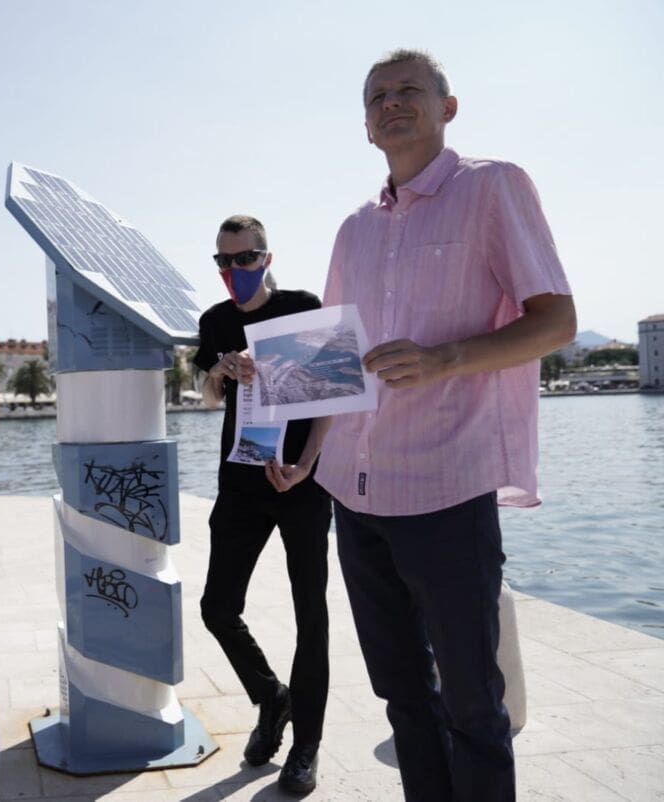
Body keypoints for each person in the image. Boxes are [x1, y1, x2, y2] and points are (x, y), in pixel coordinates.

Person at [315, 51, 576, 801]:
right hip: (355, 495)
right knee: (402, 697)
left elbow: (557, 322)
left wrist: (444, 360)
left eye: (409, 90)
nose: (391, 103)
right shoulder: (353, 229)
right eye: (377, 97)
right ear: (366, 125)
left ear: (447, 107)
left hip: (447, 488)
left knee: (473, 704)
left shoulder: (494, 186)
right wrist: (298, 448)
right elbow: (335, 361)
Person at [194, 216, 331, 795]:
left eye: (245, 258)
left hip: (302, 484)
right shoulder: (214, 321)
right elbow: (207, 394)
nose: (235, 270)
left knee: (310, 616)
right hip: (241, 483)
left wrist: (308, 465)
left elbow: (331, 394)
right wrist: (221, 371)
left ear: (266, 258)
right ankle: (272, 697)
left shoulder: (302, 308)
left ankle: (306, 747)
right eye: (224, 261)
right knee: (217, 608)